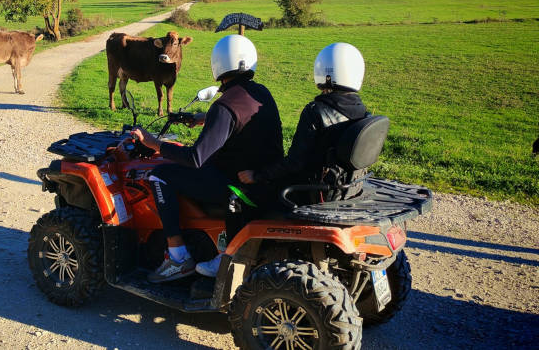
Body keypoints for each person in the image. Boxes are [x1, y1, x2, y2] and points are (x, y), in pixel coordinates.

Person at [131, 34, 283, 282]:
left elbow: (195, 158)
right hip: (263, 176)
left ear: (218, 64)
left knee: (160, 175)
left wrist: (154, 143)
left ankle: (178, 257)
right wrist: (206, 118)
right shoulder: (261, 93)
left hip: (235, 183)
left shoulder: (224, 106)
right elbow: (243, 123)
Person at [237, 42, 369, 203]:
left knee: (247, 196)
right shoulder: (363, 112)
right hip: (347, 188)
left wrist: (257, 175)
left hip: (314, 192)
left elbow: (295, 163)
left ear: (326, 73)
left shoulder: (315, 111)